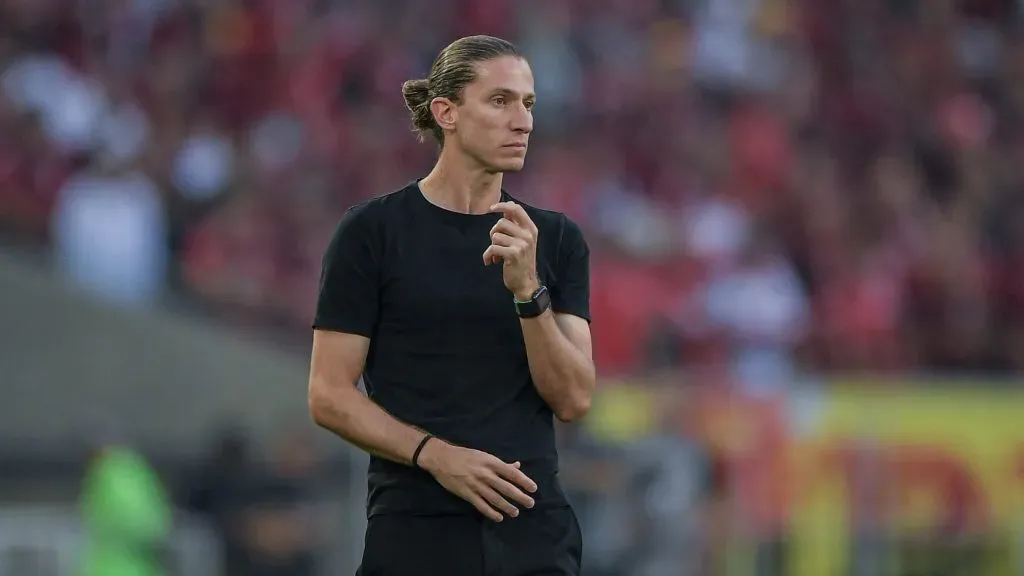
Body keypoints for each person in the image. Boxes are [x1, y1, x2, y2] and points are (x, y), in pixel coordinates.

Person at [308, 35, 595, 575]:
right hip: (416, 527)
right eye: (500, 101)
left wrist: (528, 293)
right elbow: (327, 394)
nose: (523, 122)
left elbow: (574, 398)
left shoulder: (553, 239)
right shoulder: (373, 232)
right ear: (446, 112)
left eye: (529, 104)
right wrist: (438, 456)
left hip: (533, 535)